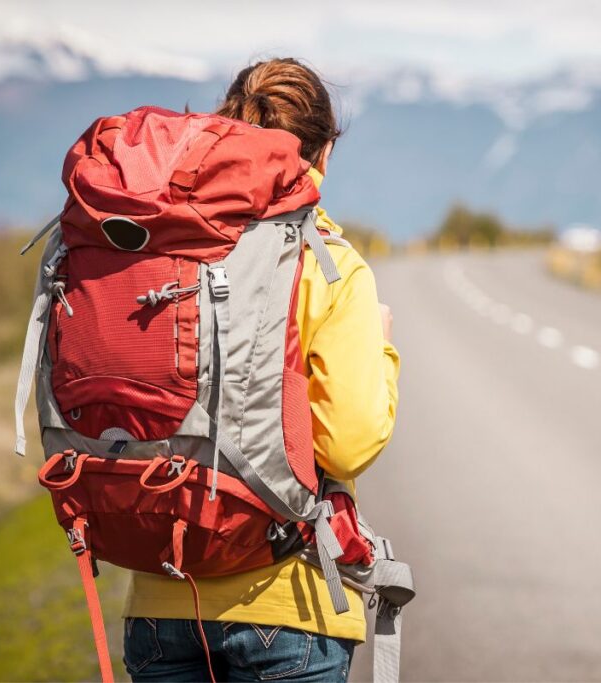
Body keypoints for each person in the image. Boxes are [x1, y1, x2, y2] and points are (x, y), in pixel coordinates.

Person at [121, 58, 400, 682]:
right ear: (325, 151)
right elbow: (348, 444)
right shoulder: (329, 263)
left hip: (160, 601)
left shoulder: (168, 249)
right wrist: (381, 348)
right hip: (287, 606)